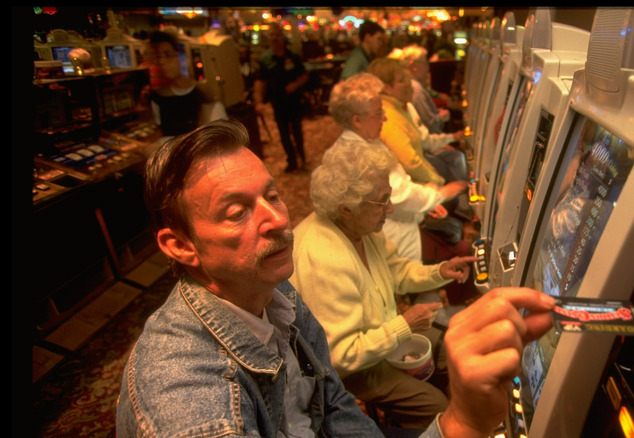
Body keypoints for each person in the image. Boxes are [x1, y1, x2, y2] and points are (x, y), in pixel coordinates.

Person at [115, 118, 556, 438]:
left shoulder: (276, 292)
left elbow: (328, 400)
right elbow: (343, 367)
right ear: (180, 246)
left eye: (272, 196)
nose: (275, 220)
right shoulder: (186, 395)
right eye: (237, 213)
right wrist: (461, 425)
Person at [289, 138, 475, 429]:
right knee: (438, 410)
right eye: (382, 201)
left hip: (381, 338)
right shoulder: (324, 258)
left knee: (456, 346)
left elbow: (398, 272)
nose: (390, 210)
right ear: (346, 208)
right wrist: (405, 325)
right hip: (353, 370)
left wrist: (441, 271)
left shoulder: (360, 227)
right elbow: (341, 357)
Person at [328, 72, 466, 263]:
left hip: (399, 221)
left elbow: (399, 188)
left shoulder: (366, 141)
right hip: (388, 237)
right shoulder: (359, 156)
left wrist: (426, 203)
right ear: (357, 121)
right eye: (378, 114)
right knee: (462, 251)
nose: (384, 119)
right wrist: (440, 194)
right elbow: (400, 197)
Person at [367, 57, 466, 187]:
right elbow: (410, 162)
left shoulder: (403, 107)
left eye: (408, 78)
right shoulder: (390, 116)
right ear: (387, 89)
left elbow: (422, 142)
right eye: (402, 81)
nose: (409, 84)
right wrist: (439, 183)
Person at [146, 30, 226, 139]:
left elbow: (217, 139)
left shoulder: (205, 96)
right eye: (158, 57)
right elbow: (162, 129)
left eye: (168, 55)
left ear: (185, 58)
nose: (162, 62)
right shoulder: (158, 97)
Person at [256, 22, 310, 172]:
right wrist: (259, 102)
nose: (274, 38)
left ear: (282, 37)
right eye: (271, 35)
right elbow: (261, 82)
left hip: (294, 100)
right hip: (278, 102)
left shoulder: (292, 56)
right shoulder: (265, 59)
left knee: (297, 131)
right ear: (268, 38)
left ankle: (302, 157)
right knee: (283, 133)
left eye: (277, 35)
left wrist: (296, 84)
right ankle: (291, 160)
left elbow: (305, 75)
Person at [390, 45, 451, 135]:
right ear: (413, 65)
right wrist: (442, 116)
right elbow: (430, 126)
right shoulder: (415, 89)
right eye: (425, 63)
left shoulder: (412, 85)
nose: (427, 68)